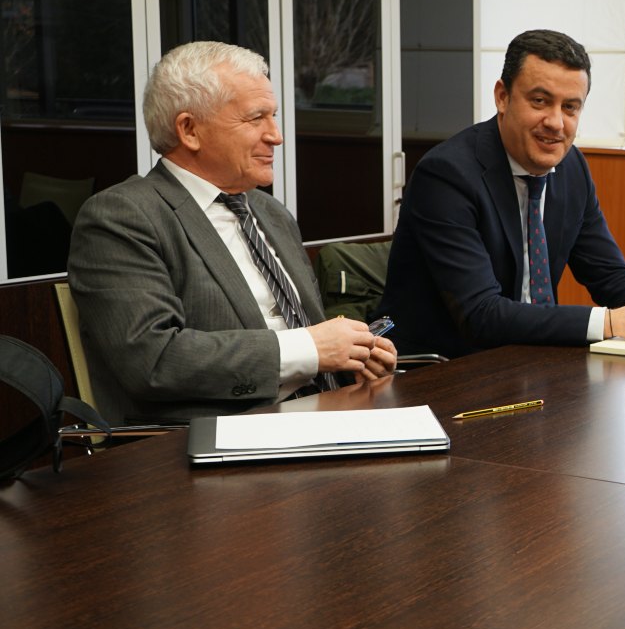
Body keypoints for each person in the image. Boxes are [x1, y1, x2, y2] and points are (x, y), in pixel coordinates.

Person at [69, 41, 396, 425]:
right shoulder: (123, 217)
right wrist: (311, 349)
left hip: (322, 417)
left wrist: (354, 357)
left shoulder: (270, 213)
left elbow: (311, 340)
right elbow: (153, 359)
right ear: (189, 130)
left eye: (274, 117)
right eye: (256, 118)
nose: (276, 136)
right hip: (212, 446)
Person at [379, 29, 625, 357]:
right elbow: (481, 314)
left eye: (570, 107)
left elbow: (608, 275)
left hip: (531, 364)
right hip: (442, 373)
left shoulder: (571, 168)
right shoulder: (446, 175)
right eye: (540, 101)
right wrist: (611, 322)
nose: (556, 122)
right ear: (502, 97)